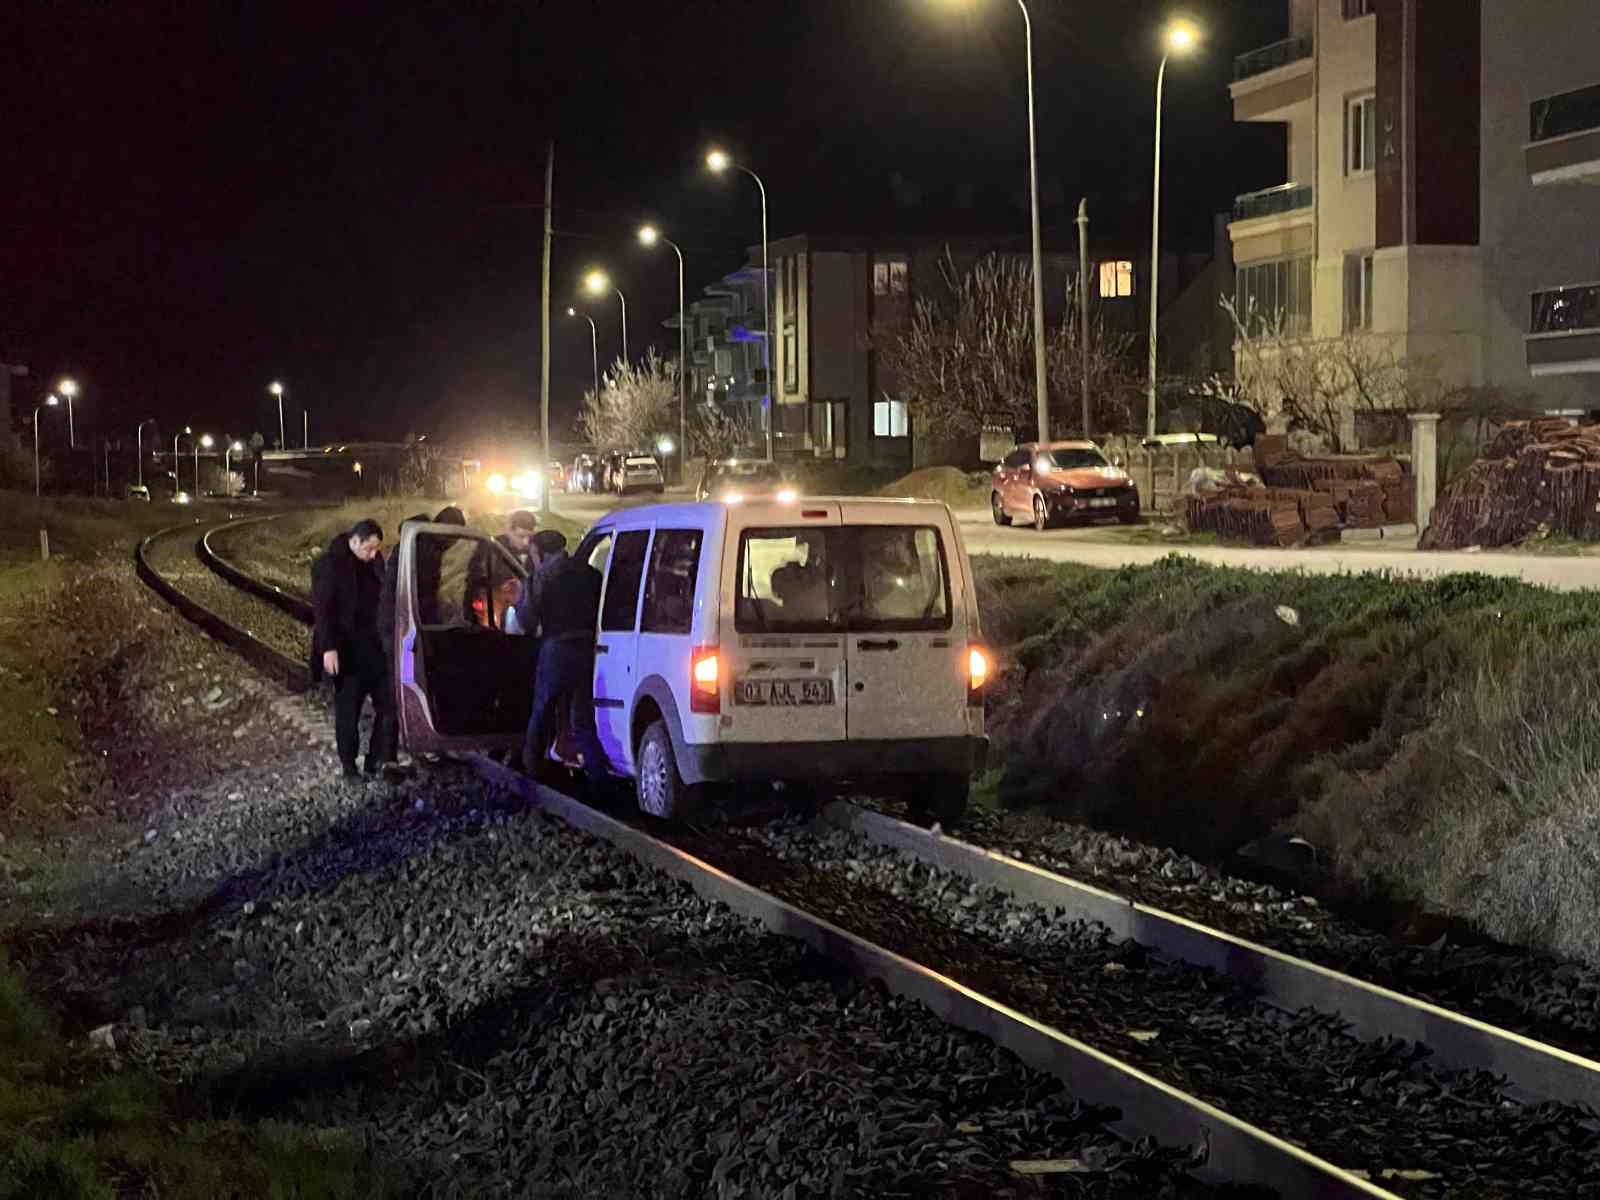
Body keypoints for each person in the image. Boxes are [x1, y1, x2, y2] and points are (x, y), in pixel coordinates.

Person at [520, 529, 608, 787]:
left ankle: (531, 772)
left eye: (533, 553)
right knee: (582, 718)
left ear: (540, 552)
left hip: (556, 649)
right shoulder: (591, 575)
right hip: (588, 650)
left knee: (542, 710)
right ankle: (598, 779)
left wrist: (517, 603)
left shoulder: (541, 577)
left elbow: (527, 621)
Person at [310, 518, 392, 782]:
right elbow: (323, 611)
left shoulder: (375, 562)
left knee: (389, 705)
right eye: (369, 548)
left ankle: (374, 760)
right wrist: (328, 648)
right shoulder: (331, 565)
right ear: (355, 541)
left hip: (375, 649)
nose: (374, 554)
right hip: (348, 652)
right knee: (349, 712)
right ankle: (349, 767)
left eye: (377, 549)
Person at [373, 511, 431, 772]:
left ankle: (393, 753)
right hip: (401, 639)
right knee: (400, 691)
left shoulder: (401, 555)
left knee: (398, 692)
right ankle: (393, 754)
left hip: (397, 636)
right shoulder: (410, 559)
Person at [465, 509, 536, 627]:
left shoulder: (536, 549)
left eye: (530, 537)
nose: (526, 542)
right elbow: (477, 579)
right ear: (509, 531)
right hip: (494, 610)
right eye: (521, 536)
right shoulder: (491, 547)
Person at [415, 506, 466, 625]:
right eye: (454, 537)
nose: (455, 542)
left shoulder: (431, 544)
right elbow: (424, 593)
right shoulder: (423, 547)